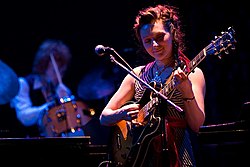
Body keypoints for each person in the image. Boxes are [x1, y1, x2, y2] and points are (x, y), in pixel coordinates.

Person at [99, 4, 206, 167]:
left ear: (173, 34)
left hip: (178, 155)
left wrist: (186, 91)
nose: (155, 45)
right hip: (139, 159)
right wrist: (121, 114)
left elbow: (197, 126)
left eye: (160, 37)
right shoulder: (137, 75)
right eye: (148, 41)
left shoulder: (192, 73)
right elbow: (104, 117)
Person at [10, 39, 93, 138]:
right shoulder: (24, 84)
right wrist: (49, 107)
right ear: (43, 66)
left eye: (62, 72)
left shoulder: (60, 89)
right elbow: (24, 117)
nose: (59, 77)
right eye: (55, 71)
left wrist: (66, 102)